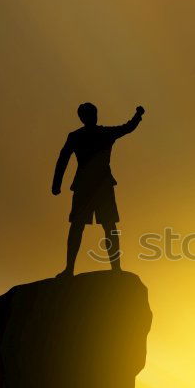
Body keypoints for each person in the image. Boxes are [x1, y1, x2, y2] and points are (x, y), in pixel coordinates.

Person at [52, 102, 145, 276]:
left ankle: (115, 267)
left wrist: (137, 116)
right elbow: (63, 158)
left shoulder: (102, 133)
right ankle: (70, 268)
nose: (91, 117)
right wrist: (56, 183)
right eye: (88, 114)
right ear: (82, 117)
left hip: (101, 186)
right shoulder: (78, 136)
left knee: (108, 226)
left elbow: (128, 127)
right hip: (87, 187)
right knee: (79, 227)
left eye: (92, 114)